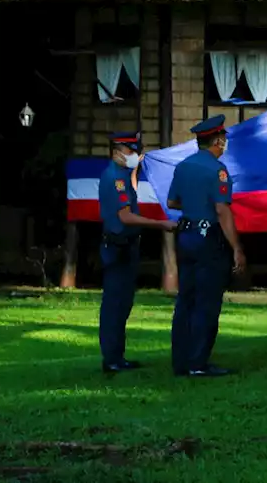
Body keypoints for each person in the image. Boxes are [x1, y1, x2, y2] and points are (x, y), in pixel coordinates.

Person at [168, 115, 245, 377]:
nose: (223, 145)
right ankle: (198, 362)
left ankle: (180, 361)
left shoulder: (183, 167)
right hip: (208, 238)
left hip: (186, 235)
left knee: (185, 300)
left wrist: (194, 204)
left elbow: (172, 203)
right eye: (222, 140)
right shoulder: (217, 170)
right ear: (217, 141)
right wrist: (236, 247)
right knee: (207, 301)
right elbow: (222, 210)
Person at [98, 131, 177, 373]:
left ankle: (117, 357)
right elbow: (125, 215)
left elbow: (130, 194)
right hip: (118, 247)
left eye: (135, 151)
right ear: (117, 151)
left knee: (123, 304)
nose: (134, 155)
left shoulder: (122, 174)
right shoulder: (114, 178)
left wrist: (135, 169)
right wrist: (160, 224)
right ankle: (112, 359)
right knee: (115, 304)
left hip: (125, 246)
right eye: (130, 151)